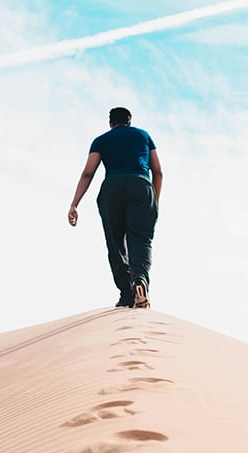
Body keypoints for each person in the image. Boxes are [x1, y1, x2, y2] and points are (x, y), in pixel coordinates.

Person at [67, 107, 163, 309]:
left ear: (110, 123)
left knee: (115, 243)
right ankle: (140, 281)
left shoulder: (101, 140)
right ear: (130, 121)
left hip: (112, 188)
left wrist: (75, 203)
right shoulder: (144, 136)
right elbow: (158, 171)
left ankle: (127, 294)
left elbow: (88, 173)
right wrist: (154, 200)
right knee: (141, 240)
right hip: (141, 185)